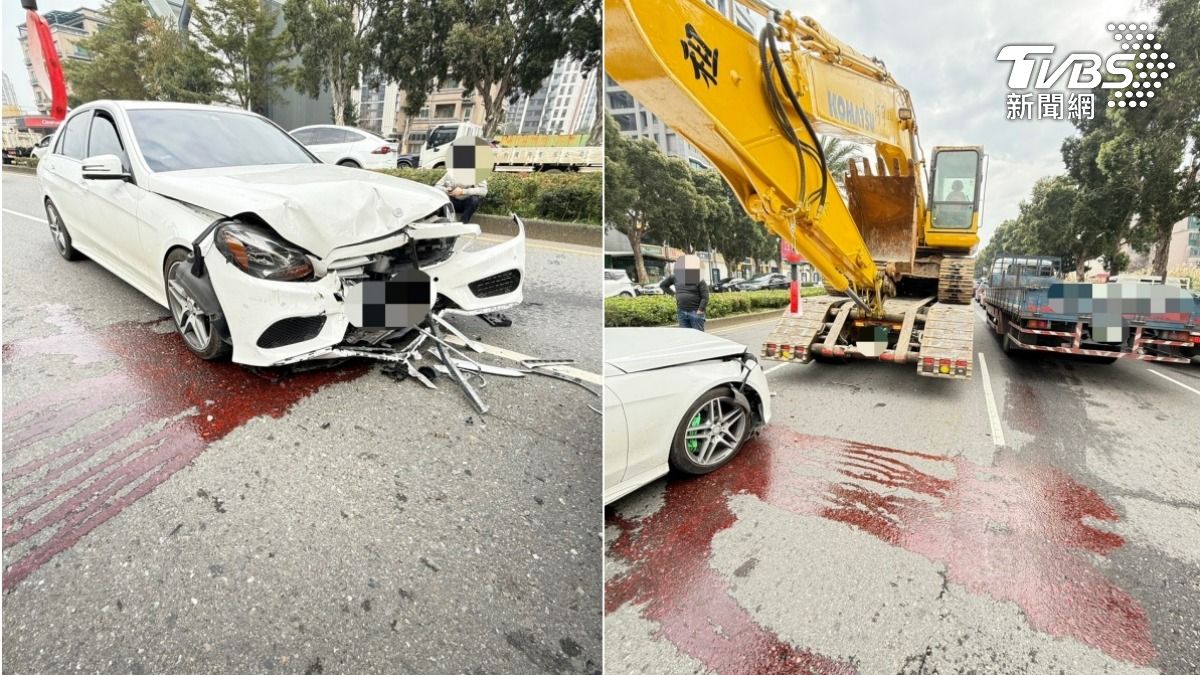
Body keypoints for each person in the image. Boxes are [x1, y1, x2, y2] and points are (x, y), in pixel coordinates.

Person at [660, 254, 710, 330]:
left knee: (698, 337)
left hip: (695, 312)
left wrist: (700, 310)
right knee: (685, 338)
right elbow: (663, 285)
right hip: (681, 312)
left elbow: (705, 297)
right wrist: (673, 294)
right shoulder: (675, 277)